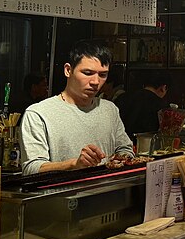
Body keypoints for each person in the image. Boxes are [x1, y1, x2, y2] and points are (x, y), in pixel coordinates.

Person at [20, 40, 133, 175]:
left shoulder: (109, 109)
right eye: (87, 73)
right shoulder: (38, 113)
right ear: (68, 70)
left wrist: (123, 158)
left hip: (108, 192)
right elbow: (31, 168)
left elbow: (125, 149)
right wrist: (74, 164)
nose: (95, 82)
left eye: (102, 75)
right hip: (63, 195)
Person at [115, 71, 172, 142]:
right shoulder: (161, 105)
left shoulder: (123, 97)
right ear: (163, 88)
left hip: (119, 145)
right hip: (145, 146)